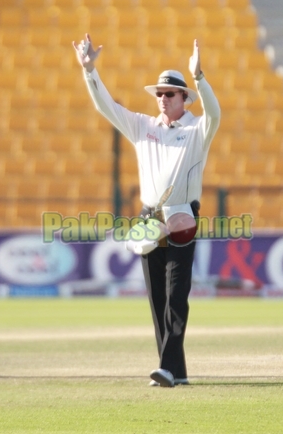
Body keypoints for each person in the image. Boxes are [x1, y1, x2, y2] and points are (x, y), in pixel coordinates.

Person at [74, 35, 220, 388]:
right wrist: (89, 70)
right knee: (157, 297)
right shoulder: (143, 125)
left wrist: (199, 75)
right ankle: (175, 370)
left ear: (185, 97)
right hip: (148, 218)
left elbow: (216, 113)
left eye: (169, 93)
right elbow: (106, 106)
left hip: (182, 215)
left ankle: (168, 368)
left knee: (175, 294)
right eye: (159, 93)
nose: (162, 98)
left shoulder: (197, 129)